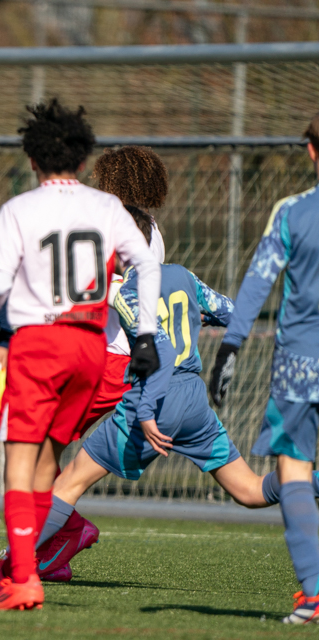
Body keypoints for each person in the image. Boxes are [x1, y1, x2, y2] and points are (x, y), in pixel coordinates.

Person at [0, 209, 319, 587]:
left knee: (68, 483)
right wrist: (196, 319)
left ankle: (10, 568)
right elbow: (232, 312)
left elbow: (160, 348)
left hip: (156, 399)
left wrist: (145, 410)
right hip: (194, 401)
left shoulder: (126, 292)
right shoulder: (183, 276)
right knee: (250, 490)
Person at [0, 100, 162, 611]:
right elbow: (147, 265)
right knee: (47, 461)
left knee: (18, 460)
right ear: (82, 159)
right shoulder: (108, 208)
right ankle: (34, 562)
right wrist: (146, 336)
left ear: (32, 159)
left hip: (40, 343)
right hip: (90, 349)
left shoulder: (20, 209)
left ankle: (22, 579)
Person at [209, 112, 319, 625]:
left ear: (311, 151)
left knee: (293, 469)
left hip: (300, 362)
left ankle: (314, 594)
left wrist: (230, 347)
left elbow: (258, 281)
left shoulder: (292, 212)